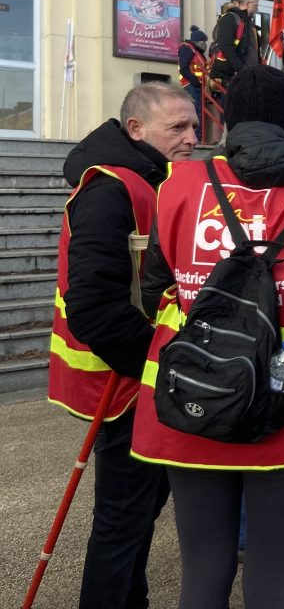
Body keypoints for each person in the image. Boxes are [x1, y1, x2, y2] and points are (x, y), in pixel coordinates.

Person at [131, 65, 284, 609]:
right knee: (272, 574)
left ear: (230, 120)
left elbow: (152, 292)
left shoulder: (176, 185)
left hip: (189, 396)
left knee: (202, 568)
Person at [48, 83, 198, 609]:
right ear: (136, 129)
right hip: (123, 387)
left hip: (138, 380)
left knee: (135, 519)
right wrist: (164, 369)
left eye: (195, 127)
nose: (191, 138)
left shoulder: (150, 177)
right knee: (121, 523)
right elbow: (92, 304)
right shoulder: (110, 188)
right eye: (177, 127)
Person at [209, 0, 261, 86]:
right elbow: (226, 46)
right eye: (256, 5)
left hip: (247, 75)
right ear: (248, 4)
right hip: (232, 75)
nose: (257, 9)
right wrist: (240, 69)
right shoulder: (230, 18)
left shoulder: (249, 24)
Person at [177, 25, 208, 121]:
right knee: (197, 114)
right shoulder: (187, 48)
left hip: (198, 86)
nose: (204, 44)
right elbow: (184, 68)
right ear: (196, 41)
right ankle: (197, 136)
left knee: (199, 114)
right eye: (202, 41)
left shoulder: (197, 52)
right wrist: (195, 82)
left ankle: (198, 135)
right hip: (192, 86)